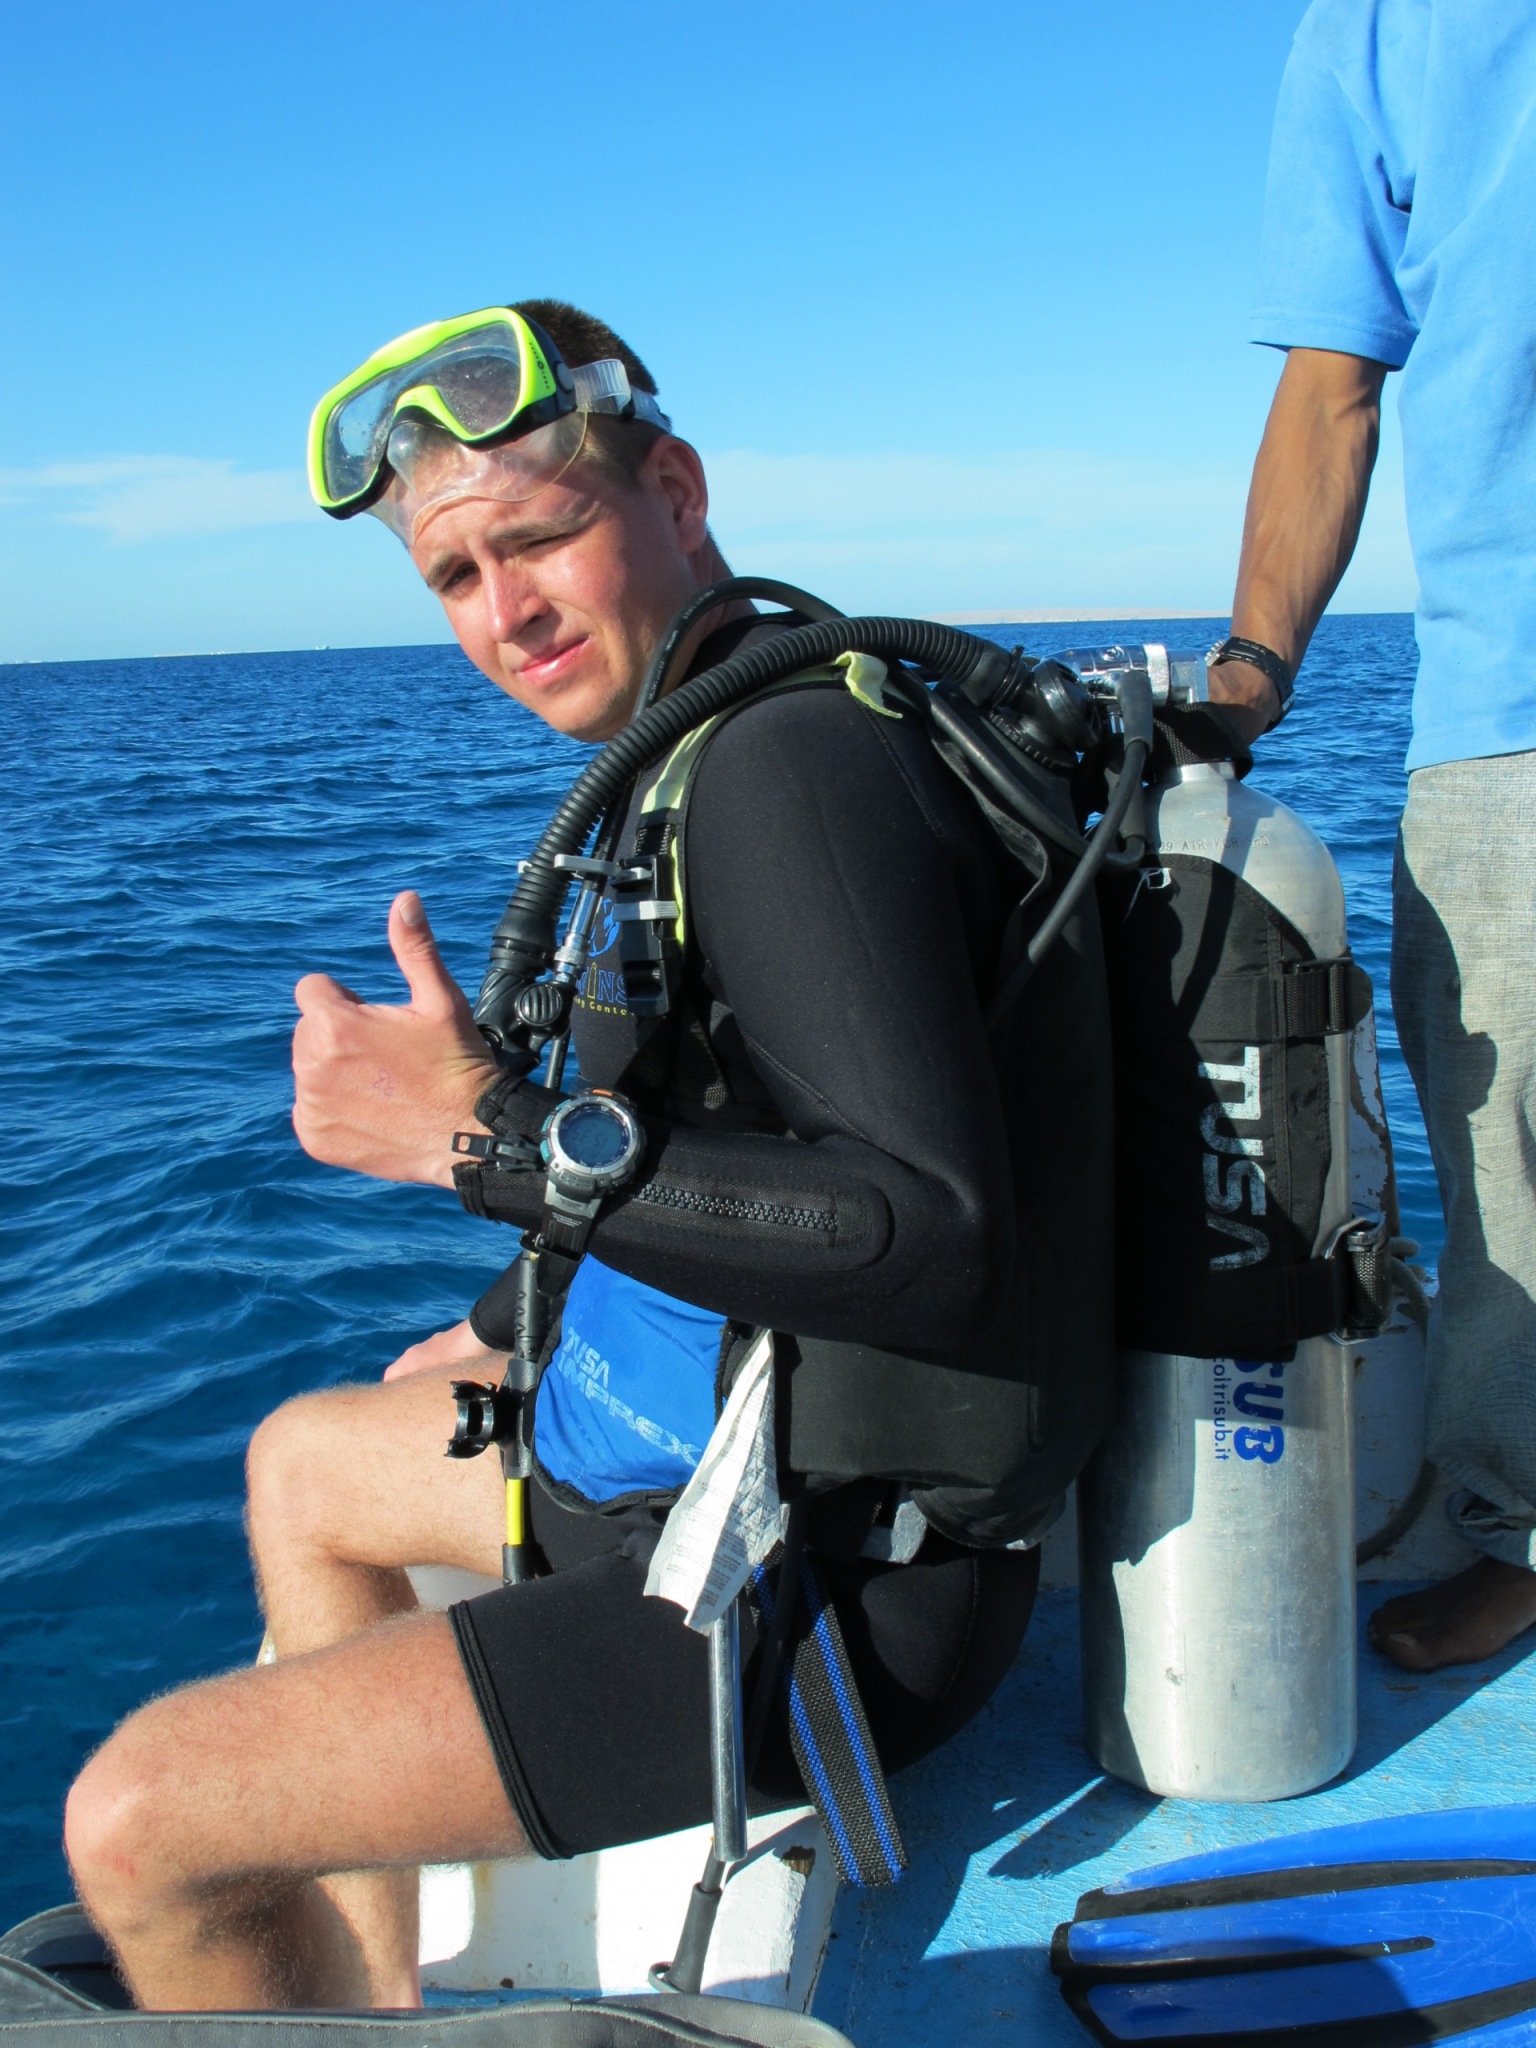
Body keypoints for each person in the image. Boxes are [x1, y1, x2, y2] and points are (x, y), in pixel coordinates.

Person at [61, 301, 1114, 2009]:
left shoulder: (784, 770)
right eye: (455, 578)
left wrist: (476, 1137)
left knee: (139, 1821)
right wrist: (502, 1316)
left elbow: (929, 1232)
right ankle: (370, 2009)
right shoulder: (706, 745)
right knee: (305, 1463)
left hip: (813, 1600)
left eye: (542, 539)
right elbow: (726, 1122)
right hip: (721, 1476)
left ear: (676, 493)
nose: (508, 613)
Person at [1205, 1, 1536, 1671]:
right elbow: (1331, 385)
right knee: (1511, 1165)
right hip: (1510, 698)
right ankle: (1528, 1527)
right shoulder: (1372, 30)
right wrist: (1246, 680)